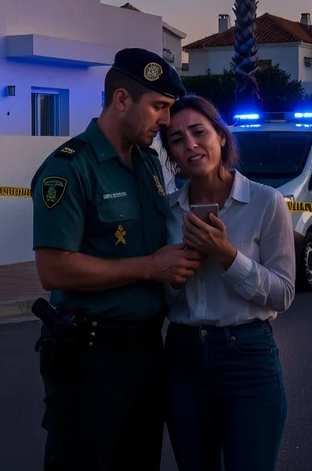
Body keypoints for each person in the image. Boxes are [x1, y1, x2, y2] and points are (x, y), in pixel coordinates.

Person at [30, 47, 200, 471]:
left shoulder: (147, 162)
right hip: (90, 360)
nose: (165, 121)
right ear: (121, 99)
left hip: (146, 352)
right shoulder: (70, 169)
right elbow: (53, 269)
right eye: (158, 107)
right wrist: (148, 267)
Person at [159, 95, 295, 471]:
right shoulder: (166, 211)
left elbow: (283, 293)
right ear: (171, 154)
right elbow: (163, 298)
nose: (190, 144)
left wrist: (226, 255)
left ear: (221, 137)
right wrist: (176, 270)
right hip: (183, 357)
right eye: (176, 139)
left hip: (247, 357)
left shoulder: (266, 203)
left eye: (199, 132)